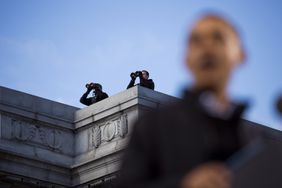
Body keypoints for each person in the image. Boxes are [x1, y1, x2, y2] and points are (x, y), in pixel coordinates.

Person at [117, 14, 251, 188]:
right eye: (196, 41)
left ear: (240, 55)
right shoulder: (153, 126)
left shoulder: (252, 139)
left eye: (218, 38)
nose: (207, 48)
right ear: (186, 59)